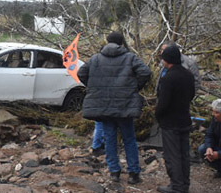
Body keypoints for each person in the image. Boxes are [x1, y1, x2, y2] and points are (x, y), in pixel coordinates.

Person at [79, 31, 151, 184]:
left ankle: (114, 172)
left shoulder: (96, 59)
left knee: (110, 139)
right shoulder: (130, 57)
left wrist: (95, 87)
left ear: (107, 41)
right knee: (129, 139)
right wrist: (133, 88)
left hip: (104, 106)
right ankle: (133, 174)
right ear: (121, 43)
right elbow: (145, 72)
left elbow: (81, 73)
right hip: (125, 105)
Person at [155, 45, 195, 193]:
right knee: (184, 154)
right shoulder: (188, 75)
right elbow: (191, 95)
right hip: (185, 119)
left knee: (173, 156)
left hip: (170, 123)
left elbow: (163, 104)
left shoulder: (168, 78)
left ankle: (176, 186)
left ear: (167, 60)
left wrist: (157, 114)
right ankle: (184, 184)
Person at [198, 99, 221, 178]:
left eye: (217, 112)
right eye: (213, 111)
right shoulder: (215, 120)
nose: (213, 114)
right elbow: (209, 134)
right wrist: (209, 147)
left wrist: (218, 154)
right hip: (218, 147)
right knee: (202, 149)